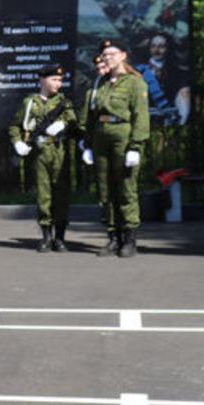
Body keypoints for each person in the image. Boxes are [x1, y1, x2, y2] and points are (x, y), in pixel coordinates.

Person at [82, 39, 150, 258]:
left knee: (125, 188)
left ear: (123, 55)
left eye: (111, 53)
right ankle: (113, 237)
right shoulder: (100, 83)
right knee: (105, 189)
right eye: (104, 55)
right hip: (101, 136)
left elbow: (141, 116)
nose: (107, 58)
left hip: (123, 135)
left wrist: (135, 146)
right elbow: (92, 115)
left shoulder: (134, 82)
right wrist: (88, 144)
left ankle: (129, 239)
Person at [8, 63, 78, 253]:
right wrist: (17, 142)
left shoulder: (64, 102)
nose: (58, 83)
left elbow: (74, 123)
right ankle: (46, 237)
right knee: (43, 196)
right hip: (38, 153)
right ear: (42, 79)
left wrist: (63, 123)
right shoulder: (30, 102)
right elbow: (15, 125)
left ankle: (60, 238)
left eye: (60, 80)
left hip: (59, 152)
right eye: (54, 79)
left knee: (61, 195)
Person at [142, 32, 190, 126]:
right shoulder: (138, 70)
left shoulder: (177, 72)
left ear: (168, 49)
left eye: (161, 46)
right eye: (153, 46)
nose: (156, 50)